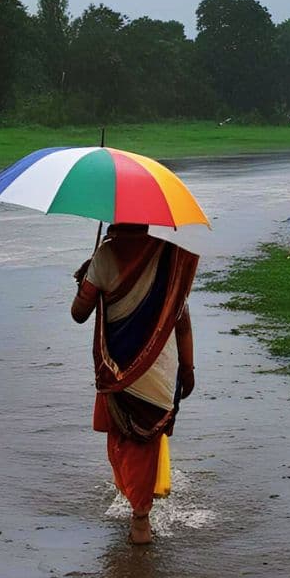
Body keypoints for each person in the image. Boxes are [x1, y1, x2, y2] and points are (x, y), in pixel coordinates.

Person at [71, 223, 199, 545]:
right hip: (162, 369)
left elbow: (79, 313)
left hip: (119, 369)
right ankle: (139, 509)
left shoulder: (106, 255)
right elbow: (181, 319)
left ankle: (140, 517)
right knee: (147, 442)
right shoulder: (168, 255)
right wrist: (187, 368)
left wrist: (86, 279)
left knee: (122, 439)